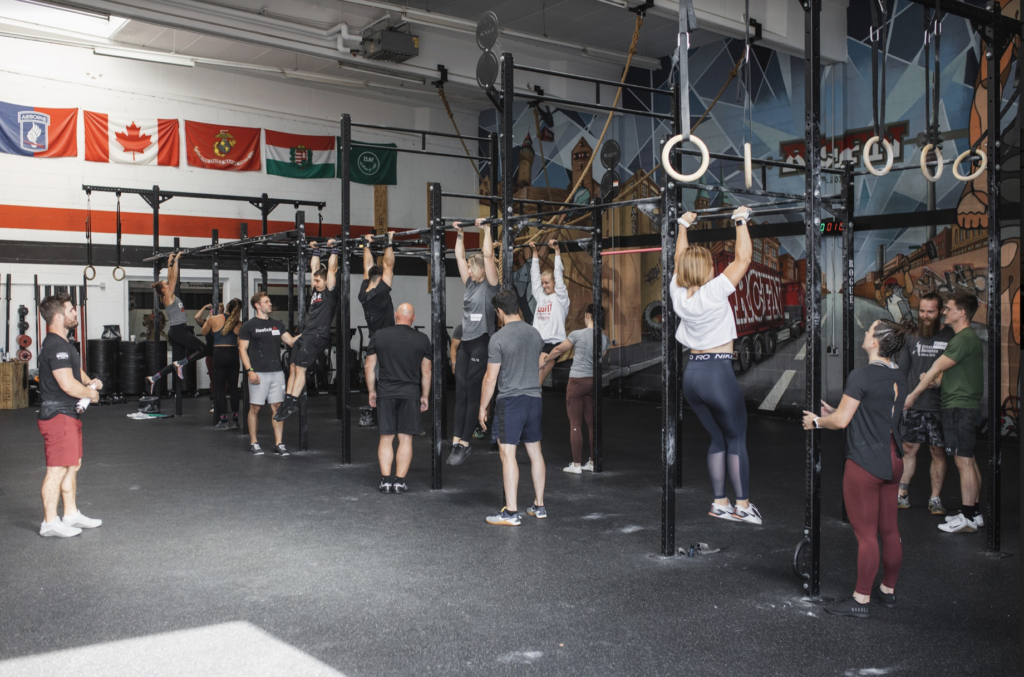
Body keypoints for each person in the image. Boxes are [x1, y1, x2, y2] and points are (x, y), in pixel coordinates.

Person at [802, 319, 913, 619]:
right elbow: (872, 411)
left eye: (869, 331)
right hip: (893, 460)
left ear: (875, 342)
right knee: (889, 530)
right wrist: (837, 411)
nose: (864, 334)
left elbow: (840, 422)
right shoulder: (899, 375)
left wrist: (816, 421)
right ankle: (887, 591)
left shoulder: (860, 375)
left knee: (866, 535)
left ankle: (860, 600)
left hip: (865, 463)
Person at [670, 206, 761, 525]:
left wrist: (683, 225)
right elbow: (743, 260)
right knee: (736, 437)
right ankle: (743, 505)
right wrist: (740, 220)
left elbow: (680, 257)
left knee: (718, 438)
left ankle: (720, 502)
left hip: (692, 375)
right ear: (707, 269)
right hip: (717, 372)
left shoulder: (677, 293)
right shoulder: (713, 292)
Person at [904, 291, 985, 533]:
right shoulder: (965, 338)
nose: (945, 312)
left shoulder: (962, 338)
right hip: (959, 405)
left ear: (962, 312)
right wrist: (936, 383)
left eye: (948, 308)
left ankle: (968, 518)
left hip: (960, 408)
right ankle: (975, 513)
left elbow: (936, 367)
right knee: (968, 461)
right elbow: (946, 375)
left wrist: (912, 395)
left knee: (964, 463)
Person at [36, 293, 102, 537]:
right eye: (71, 310)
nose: (75, 313)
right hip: (58, 416)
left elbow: (76, 372)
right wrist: (91, 395)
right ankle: (49, 523)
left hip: (68, 415)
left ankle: (71, 514)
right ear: (58, 316)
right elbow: (68, 385)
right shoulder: (55, 345)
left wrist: (90, 381)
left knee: (72, 465)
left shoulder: (65, 344)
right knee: (58, 469)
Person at [479, 289, 546, 526]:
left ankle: (511, 512)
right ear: (516, 307)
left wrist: (482, 407)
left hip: (511, 401)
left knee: (508, 455)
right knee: (535, 453)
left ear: (499, 312)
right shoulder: (535, 334)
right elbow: (538, 364)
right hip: (534, 399)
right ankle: (539, 506)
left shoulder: (498, 338)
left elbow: (490, 378)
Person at [894, 292, 954, 513]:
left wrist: (940, 381)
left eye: (930, 311)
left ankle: (935, 498)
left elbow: (958, 371)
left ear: (939, 312)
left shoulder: (950, 336)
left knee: (938, 451)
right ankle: (902, 494)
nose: (925, 315)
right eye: (922, 311)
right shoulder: (911, 336)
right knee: (909, 449)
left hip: (941, 405)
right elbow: (902, 371)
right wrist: (899, 400)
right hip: (914, 403)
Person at [447, 218, 499, 466]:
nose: (466, 269)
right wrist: (460, 235)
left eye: (470, 266)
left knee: (471, 394)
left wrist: (487, 229)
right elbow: (458, 258)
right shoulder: (469, 285)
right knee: (460, 394)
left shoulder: (490, 286)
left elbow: (489, 256)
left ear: (478, 268)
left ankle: (465, 444)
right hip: (467, 344)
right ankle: (457, 440)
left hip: (482, 342)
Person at [364, 303, 432, 494]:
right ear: (413, 318)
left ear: (396, 316)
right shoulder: (422, 339)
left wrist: (372, 391)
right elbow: (426, 371)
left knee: (386, 438)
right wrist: (424, 396)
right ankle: (400, 482)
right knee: (406, 439)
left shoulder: (379, 336)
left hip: (385, 392)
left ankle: (386, 481)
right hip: (410, 394)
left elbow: (369, 367)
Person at [275, 239, 339, 421]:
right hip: (307, 334)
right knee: (293, 366)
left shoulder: (330, 292)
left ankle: (292, 403)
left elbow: (332, 269)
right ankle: (286, 401)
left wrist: (334, 248)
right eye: (315, 280)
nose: (316, 283)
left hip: (317, 336)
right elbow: (314, 268)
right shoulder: (316, 291)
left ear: (326, 281)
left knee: (301, 369)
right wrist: (316, 250)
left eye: (319, 280)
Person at [541, 303, 608, 473]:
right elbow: (602, 356)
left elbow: (559, 349)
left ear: (587, 316)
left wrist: (547, 358)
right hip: (593, 382)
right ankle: (593, 462)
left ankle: (577, 465)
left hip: (577, 382)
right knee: (592, 424)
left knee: (575, 424)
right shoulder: (604, 338)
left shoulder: (577, 334)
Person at [239, 292, 297, 456]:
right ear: (257, 305)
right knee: (255, 408)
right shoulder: (248, 326)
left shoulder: (277, 325)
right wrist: (250, 371)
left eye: (270, 301)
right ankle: (254, 442)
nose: (270, 304)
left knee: (277, 407)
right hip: (257, 372)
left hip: (276, 372)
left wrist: (311, 333)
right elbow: (242, 350)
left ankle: (279, 443)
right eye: (267, 301)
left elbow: (291, 341)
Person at [145, 251, 209, 392]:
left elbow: (170, 277)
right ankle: (182, 363)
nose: (169, 284)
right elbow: (173, 279)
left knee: (176, 363)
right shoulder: (167, 297)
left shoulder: (169, 295)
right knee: (205, 349)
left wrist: (169, 262)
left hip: (179, 331)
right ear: (163, 289)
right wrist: (177, 260)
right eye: (166, 284)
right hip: (178, 331)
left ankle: (153, 378)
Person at [530, 239, 570, 385]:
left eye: (547, 282)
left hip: (552, 343)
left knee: (535, 382)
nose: (544, 286)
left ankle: (533, 406)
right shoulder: (541, 297)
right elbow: (534, 279)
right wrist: (534, 253)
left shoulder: (560, 299)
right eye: (543, 283)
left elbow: (559, 277)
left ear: (553, 283)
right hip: (538, 343)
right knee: (534, 383)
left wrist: (557, 252)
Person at [202, 298, 242, 430]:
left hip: (219, 354)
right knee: (234, 388)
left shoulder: (214, 319)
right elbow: (239, 343)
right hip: (233, 355)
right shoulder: (238, 323)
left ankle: (224, 420)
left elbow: (204, 332)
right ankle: (235, 421)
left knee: (219, 388)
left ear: (227, 307)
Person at [358, 232, 396, 338]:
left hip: (374, 338)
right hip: (386, 340)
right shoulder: (380, 293)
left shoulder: (363, 293)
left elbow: (367, 266)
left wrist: (366, 244)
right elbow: (388, 266)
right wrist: (388, 241)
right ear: (380, 280)